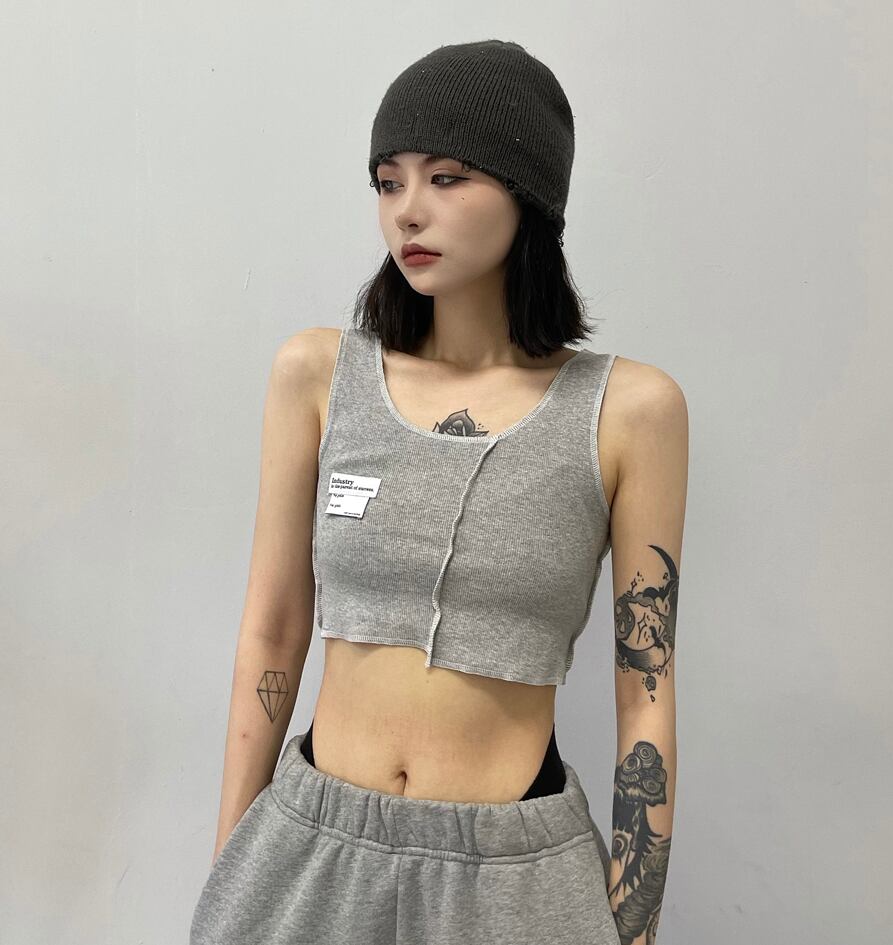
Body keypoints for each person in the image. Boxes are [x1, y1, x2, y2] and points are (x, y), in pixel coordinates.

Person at [190, 39, 687, 945]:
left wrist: (635, 928)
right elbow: (271, 630)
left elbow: (644, 692)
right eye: (388, 182)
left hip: (513, 874)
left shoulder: (629, 409)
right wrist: (232, 867)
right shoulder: (317, 374)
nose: (407, 210)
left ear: (528, 196)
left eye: (447, 177)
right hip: (309, 844)